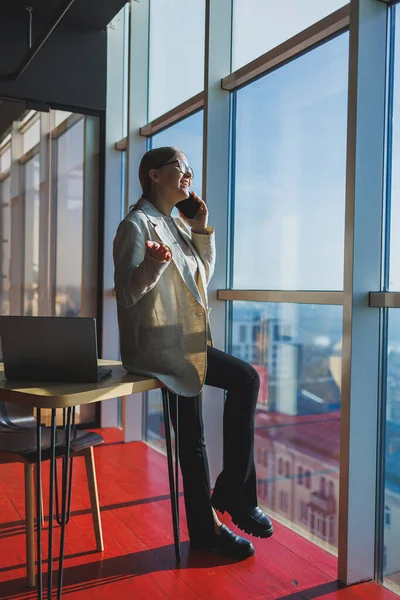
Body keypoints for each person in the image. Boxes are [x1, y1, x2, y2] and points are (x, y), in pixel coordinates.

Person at [113, 146, 274, 559]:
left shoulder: (175, 224)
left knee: (195, 436)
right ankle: (232, 499)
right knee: (244, 380)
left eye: (190, 170)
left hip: (184, 340)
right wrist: (152, 267)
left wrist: (200, 227)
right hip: (159, 345)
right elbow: (128, 295)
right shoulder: (136, 225)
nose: (188, 176)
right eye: (181, 168)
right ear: (153, 175)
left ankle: (214, 518)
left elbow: (201, 277)